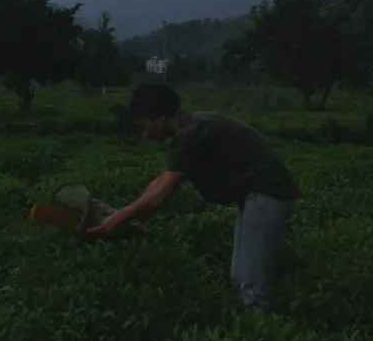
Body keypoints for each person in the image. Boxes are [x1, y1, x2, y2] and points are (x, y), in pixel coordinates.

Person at [87, 84, 299, 310]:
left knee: (252, 282)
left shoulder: (191, 134)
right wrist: (126, 214)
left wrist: (117, 220)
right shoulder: (191, 126)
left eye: (146, 127)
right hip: (257, 196)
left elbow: (160, 195)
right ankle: (253, 323)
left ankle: (260, 331)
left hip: (267, 194)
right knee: (240, 275)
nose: (145, 135)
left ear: (160, 118)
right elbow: (160, 181)